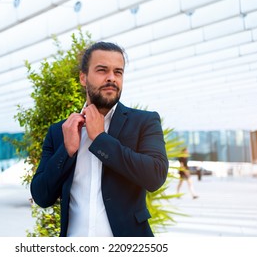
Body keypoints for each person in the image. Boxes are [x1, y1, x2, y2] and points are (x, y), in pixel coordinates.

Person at [30, 41, 169, 237]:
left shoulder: (144, 122)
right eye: (102, 70)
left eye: (118, 72)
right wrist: (67, 150)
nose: (111, 78)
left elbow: (155, 176)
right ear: (83, 78)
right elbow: (41, 196)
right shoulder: (59, 131)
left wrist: (100, 139)